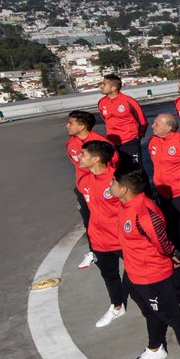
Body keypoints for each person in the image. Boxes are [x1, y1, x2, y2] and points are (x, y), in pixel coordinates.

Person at [111, 166, 180, 359]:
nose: (109, 186)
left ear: (124, 189)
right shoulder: (125, 205)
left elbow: (163, 243)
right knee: (150, 311)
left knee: (174, 317)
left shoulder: (145, 213)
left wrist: (173, 254)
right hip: (133, 273)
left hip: (153, 276)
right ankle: (155, 348)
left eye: (113, 182)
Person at [146, 114, 180, 311]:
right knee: (170, 226)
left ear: (169, 127)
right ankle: (175, 255)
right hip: (163, 192)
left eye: (157, 123)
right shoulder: (153, 141)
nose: (153, 125)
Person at [76, 140, 127, 328]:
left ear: (96, 159)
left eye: (83, 155)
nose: (78, 157)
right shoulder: (84, 181)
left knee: (141, 277)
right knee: (109, 275)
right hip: (99, 240)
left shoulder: (118, 179)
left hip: (122, 239)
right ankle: (117, 306)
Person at [65, 110, 107, 269]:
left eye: (71, 123)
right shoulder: (70, 143)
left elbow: (113, 164)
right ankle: (94, 251)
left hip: (103, 188)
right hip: (84, 189)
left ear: (82, 126)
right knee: (89, 220)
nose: (67, 126)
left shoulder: (100, 142)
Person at [97, 74, 147, 169]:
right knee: (117, 170)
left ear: (113, 88)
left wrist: (139, 137)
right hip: (112, 142)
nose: (101, 86)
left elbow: (142, 121)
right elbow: (106, 120)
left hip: (130, 141)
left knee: (135, 170)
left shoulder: (129, 101)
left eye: (104, 84)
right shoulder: (101, 102)